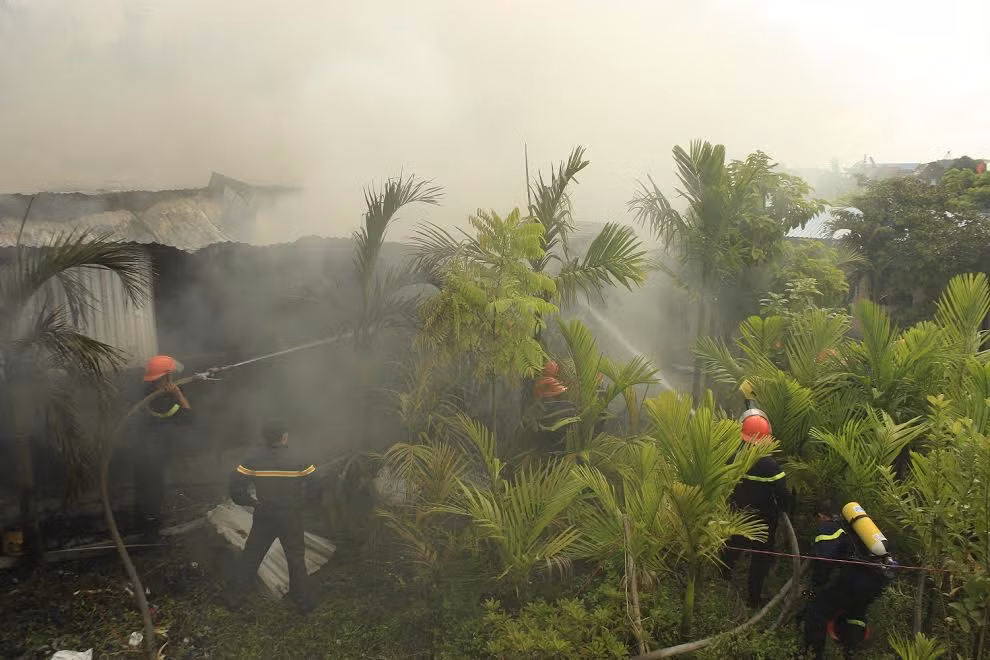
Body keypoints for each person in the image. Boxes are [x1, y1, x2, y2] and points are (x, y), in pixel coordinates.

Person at [225, 418, 320, 614]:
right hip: (291, 516)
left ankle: (235, 599)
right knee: (295, 558)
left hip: (265, 515)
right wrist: (305, 504)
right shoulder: (299, 457)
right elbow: (316, 485)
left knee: (251, 557)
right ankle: (303, 603)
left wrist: (250, 502)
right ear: (284, 437)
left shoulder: (253, 459)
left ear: (264, 437)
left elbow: (235, 485)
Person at [803, 498, 893, 660]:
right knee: (855, 612)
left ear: (821, 516)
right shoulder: (855, 528)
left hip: (853, 580)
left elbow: (825, 559)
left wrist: (817, 584)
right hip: (877, 580)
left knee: (817, 611)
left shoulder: (828, 528)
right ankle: (850, 651)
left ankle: (812, 654)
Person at [719, 406, 789, 608]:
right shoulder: (771, 466)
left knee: (733, 545)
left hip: (739, 514)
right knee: (760, 560)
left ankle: (723, 576)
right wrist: (785, 511)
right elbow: (783, 495)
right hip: (764, 521)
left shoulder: (733, 457)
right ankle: (753, 598)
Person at [135, 354, 193, 541]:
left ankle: (149, 524)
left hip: (144, 450)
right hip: (151, 453)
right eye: (171, 376)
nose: (174, 379)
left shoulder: (147, 390)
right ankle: (150, 535)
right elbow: (189, 418)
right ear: (165, 378)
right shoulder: (161, 401)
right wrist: (177, 394)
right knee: (151, 492)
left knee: (149, 489)